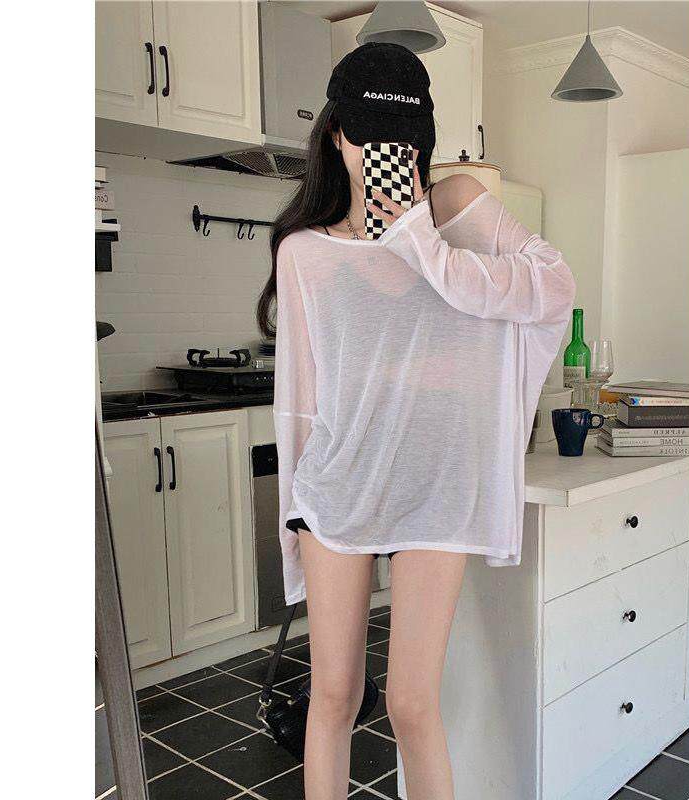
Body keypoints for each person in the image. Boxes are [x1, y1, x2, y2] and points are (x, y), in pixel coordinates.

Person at [257, 42, 576, 800]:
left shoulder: (456, 208)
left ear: (424, 140)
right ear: (338, 134)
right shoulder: (303, 253)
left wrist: (419, 241)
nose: (385, 155)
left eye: (403, 138)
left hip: (438, 482)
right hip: (340, 484)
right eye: (369, 135)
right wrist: (293, 512)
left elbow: (553, 287)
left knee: (411, 703)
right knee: (334, 696)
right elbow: (300, 396)